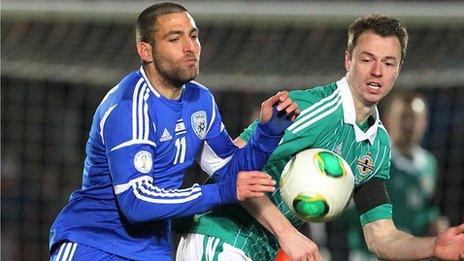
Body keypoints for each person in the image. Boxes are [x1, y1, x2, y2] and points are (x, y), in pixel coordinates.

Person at [177, 14, 464, 261]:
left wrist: (433, 246)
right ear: (348, 60)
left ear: (398, 69)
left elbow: (381, 236)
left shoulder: (377, 144)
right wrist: (288, 233)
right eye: (367, 59)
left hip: (257, 250)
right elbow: (230, 165)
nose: (377, 71)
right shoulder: (313, 109)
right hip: (220, 238)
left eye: (389, 63)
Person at [48, 2, 300, 260]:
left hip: (152, 251)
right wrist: (222, 192)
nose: (190, 47)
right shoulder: (129, 107)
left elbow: (229, 171)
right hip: (94, 245)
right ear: (146, 51)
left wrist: (269, 131)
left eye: (193, 36)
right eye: (174, 38)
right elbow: (136, 201)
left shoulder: (200, 100)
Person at [345, 90, 450, 260]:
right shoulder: (370, 158)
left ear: (424, 122)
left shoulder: (428, 163)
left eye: (415, 118)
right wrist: (390, 231)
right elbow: (348, 210)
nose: (408, 125)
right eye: (403, 117)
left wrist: (433, 222)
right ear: (388, 119)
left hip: (410, 254)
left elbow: (425, 206)